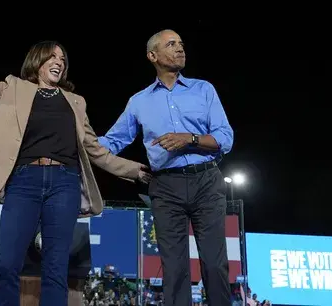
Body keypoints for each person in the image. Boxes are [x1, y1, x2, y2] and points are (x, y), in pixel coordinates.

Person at [0, 0, 151, 306]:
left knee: (55, 267)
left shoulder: (76, 102)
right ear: (37, 61)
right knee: (7, 263)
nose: (59, 61)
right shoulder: (13, 89)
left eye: (63, 58)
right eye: (52, 56)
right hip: (22, 181)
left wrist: (138, 171)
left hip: (64, 184)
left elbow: (97, 152)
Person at [98, 29, 234, 305]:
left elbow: (225, 138)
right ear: (152, 56)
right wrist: (77, 140)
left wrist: (190, 139)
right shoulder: (139, 102)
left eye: (181, 44)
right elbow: (112, 141)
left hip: (206, 181)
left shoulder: (203, 89)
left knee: (214, 264)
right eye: (171, 44)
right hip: (165, 187)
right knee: (174, 269)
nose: (180, 49)